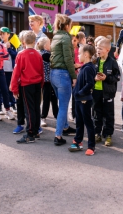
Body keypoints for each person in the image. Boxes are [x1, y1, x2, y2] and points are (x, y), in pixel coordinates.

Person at [11, 31, 44, 144]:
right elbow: (41, 71)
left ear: (23, 42)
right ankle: (35, 131)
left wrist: (14, 88)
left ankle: (30, 134)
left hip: (26, 85)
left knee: (28, 109)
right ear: (35, 41)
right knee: (35, 108)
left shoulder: (21, 54)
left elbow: (16, 73)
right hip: (37, 84)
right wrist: (41, 84)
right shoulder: (38, 55)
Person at [50, 14, 76, 146]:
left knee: (62, 104)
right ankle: (58, 135)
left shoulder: (55, 36)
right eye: (70, 25)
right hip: (63, 74)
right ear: (66, 25)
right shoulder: (66, 37)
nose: (71, 28)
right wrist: (74, 76)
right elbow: (68, 59)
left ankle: (65, 127)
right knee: (64, 106)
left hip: (53, 74)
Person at [68, 44, 96, 155]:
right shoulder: (84, 67)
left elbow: (90, 84)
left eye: (79, 53)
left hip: (84, 99)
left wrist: (80, 93)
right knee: (79, 121)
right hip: (79, 99)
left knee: (87, 122)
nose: (78, 55)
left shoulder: (89, 68)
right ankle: (78, 141)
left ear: (86, 54)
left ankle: (91, 146)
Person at [93, 38, 120, 146]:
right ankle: (97, 133)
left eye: (100, 48)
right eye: (97, 47)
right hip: (96, 92)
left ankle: (108, 135)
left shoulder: (113, 62)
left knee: (108, 114)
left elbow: (117, 77)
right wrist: (94, 78)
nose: (97, 50)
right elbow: (89, 74)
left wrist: (106, 78)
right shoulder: (94, 61)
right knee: (96, 113)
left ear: (108, 50)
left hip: (108, 93)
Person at [36, 36, 58, 127]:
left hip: (50, 81)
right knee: (46, 99)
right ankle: (43, 117)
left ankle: (57, 116)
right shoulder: (44, 54)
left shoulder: (47, 53)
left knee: (54, 99)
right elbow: (54, 60)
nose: (51, 45)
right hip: (47, 81)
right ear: (45, 46)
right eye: (50, 43)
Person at [0, 27, 17, 114]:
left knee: (10, 88)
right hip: (1, 69)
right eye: (0, 34)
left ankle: (12, 104)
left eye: (3, 34)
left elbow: (16, 55)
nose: (2, 36)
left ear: (8, 34)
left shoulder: (13, 44)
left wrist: (9, 49)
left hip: (10, 70)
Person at [12, 30, 29, 134]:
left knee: (30, 106)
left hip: (28, 83)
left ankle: (34, 125)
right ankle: (20, 124)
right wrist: (14, 86)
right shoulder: (20, 53)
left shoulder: (33, 52)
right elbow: (16, 71)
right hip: (20, 83)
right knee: (20, 104)